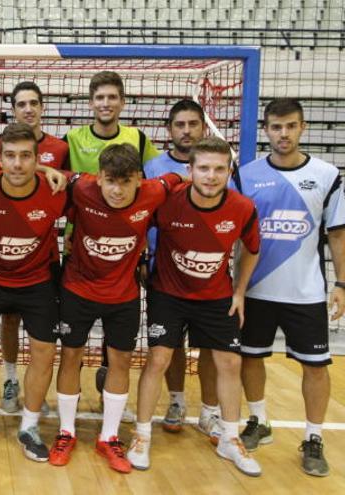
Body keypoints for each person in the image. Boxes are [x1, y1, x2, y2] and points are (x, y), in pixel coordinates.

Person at [126, 136, 262, 477]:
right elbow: (137, 223)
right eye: (203, 168)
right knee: (158, 358)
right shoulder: (167, 201)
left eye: (219, 169)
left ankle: (231, 438)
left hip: (216, 296)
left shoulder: (242, 207)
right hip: (168, 293)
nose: (211, 176)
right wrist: (142, 258)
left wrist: (240, 291)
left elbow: (252, 249)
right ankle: (141, 436)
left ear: (230, 171)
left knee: (230, 361)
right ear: (190, 170)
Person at [51, 144, 180, 473]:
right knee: (70, 356)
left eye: (125, 181)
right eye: (110, 181)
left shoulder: (154, 191)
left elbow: (175, 177)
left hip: (123, 294)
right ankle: (66, 431)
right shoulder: (82, 187)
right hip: (77, 289)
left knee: (121, 360)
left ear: (139, 179)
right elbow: (56, 174)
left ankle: (109, 437)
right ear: (99, 179)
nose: (117, 190)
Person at [236, 98, 345, 477]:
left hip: (306, 292)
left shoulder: (328, 175)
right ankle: (258, 419)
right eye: (277, 127)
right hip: (256, 290)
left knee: (315, 367)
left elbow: (337, 234)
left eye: (291, 126)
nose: (284, 134)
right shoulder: (245, 175)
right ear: (266, 130)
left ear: (303, 128)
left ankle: (314, 437)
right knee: (251, 357)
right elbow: (237, 237)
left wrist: (342, 284)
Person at [0, 123, 68, 462]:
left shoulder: (59, 188)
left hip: (36, 280)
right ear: (0, 159)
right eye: (10, 156)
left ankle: (30, 427)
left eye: (26, 156)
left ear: (39, 159)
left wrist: (52, 170)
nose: (18, 164)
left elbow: (104, 180)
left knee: (44, 350)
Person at [0, 81, 69, 414]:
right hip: (3, 250)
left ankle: (38, 391)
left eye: (34, 103)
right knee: (8, 322)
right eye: (22, 104)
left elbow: (70, 183)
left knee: (41, 332)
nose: (28, 109)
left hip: (42, 253)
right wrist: (42, 167)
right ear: (13, 108)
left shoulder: (60, 147)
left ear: (42, 107)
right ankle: (9, 379)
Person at [143, 99, 222, 437]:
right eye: (180, 124)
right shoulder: (152, 167)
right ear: (169, 130)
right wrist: (143, 259)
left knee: (210, 348)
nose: (187, 130)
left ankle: (211, 411)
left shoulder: (219, 168)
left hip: (209, 275)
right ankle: (176, 401)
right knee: (170, 345)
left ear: (204, 127)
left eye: (193, 124)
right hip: (164, 272)